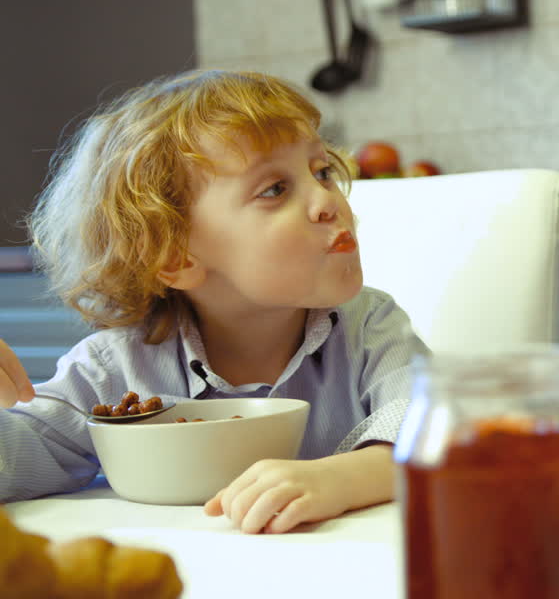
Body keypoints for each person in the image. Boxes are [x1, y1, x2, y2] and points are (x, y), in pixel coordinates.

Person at [0, 70, 425, 535]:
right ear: (176, 256)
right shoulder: (112, 370)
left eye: (321, 171)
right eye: (275, 189)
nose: (326, 200)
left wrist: (344, 477)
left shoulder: (370, 327)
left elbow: (431, 427)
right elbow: (15, 457)